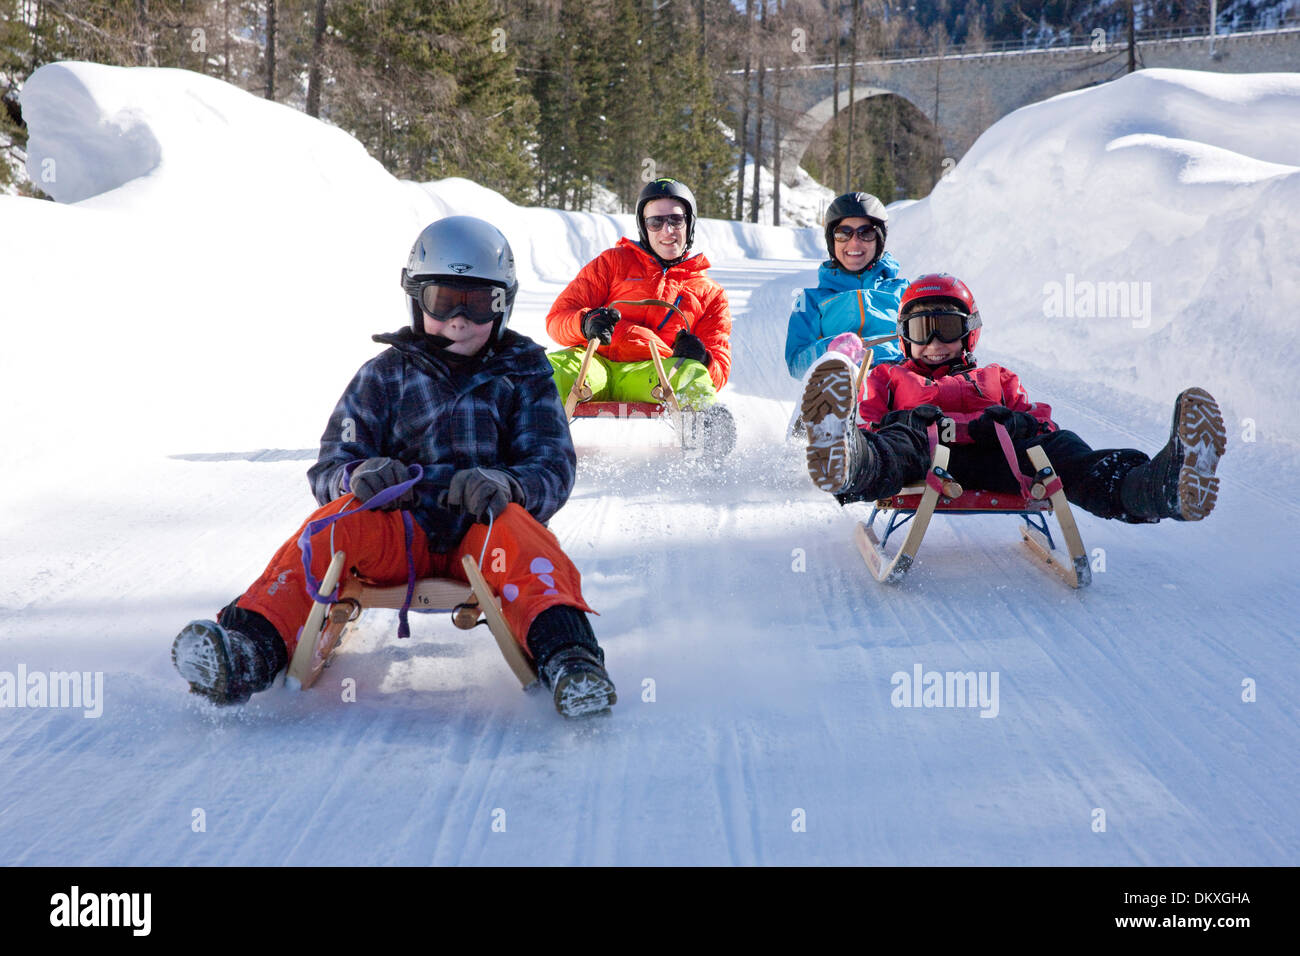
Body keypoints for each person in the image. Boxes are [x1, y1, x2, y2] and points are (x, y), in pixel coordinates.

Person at [171, 216, 617, 719]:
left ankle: (570, 660)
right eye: (443, 300)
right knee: (331, 527)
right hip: (397, 536)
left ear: (504, 304)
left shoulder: (526, 373)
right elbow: (332, 462)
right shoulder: (384, 375)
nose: (459, 319)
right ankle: (247, 647)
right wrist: (357, 476)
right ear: (415, 299)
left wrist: (507, 483)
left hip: (484, 533)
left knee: (525, 537)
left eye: (478, 302)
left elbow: (553, 467)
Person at [801, 273, 1226, 524]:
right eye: (919, 331)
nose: (933, 343)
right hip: (923, 455)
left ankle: (1160, 486)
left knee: (1064, 451)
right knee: (888, 447)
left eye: (946, 329)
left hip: (998, 456)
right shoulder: (889, 375)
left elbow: (1039, 421)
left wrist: (1017, 423)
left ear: (969, 332)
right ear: (903, 337)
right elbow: (872, 423)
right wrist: (906, 423)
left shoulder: (996, 376)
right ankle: (845, 463)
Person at [545, 177, 736, 451]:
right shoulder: (612, 263)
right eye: (655, 222)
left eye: (676, 220)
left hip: (653, 372)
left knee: (691, 375)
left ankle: (707, 448)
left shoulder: (709, 293)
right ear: (643, 227)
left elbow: (717, 371)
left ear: (690, 223)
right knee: (547, 371)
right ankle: (521, 442)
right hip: (593, 362)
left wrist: (702, 356)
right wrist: (585, 322)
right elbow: (557, 318)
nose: (667, 230)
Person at [784, 192, 909, 380]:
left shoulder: (904, 292)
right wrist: (831, 349)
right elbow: (796, 365)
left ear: (879, 239)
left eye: (866, 233)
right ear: (831, 240)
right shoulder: (809, 301)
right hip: (841, 382)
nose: (854, 242)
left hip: (897, 379)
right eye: (843, 233)